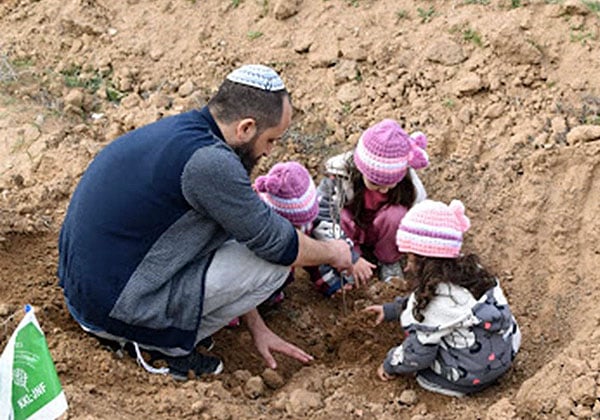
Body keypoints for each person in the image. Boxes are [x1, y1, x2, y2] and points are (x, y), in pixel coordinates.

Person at [57, 64, 353, 380]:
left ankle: (160, 329)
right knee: (275, 266)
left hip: (94, 288)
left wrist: (258, 327)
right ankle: (160, 346)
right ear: (246, 128)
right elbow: (277, 244)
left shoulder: (184, 133)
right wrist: (334, 253)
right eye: (271, 140)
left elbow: (235, 232)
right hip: (113, 309)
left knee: (245, 240)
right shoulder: (211, 164)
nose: (269, 151)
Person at [364, 199, 521, 397]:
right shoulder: (471, 273)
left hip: (475, 374)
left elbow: (418, 354)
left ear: (425, 261)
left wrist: (391, 364)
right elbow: (424, 298)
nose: (406, 268)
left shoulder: (437, 303)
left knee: (424, 374)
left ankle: (462, 384)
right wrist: (392, 310)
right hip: (506, 351)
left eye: (410, 259)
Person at [308, 119, 429, 296]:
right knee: (340, 216)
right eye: (375, 183)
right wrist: (351, 257)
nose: (384, 189)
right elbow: (322, 219)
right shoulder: (339, 178)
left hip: (384, 231)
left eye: (390, 184)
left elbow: (420, 221)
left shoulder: (411, 186)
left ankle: (388, 261)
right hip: (350, 231)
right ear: (360, 168)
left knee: (397, 215)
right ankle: (349, 265)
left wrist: (415, 255)